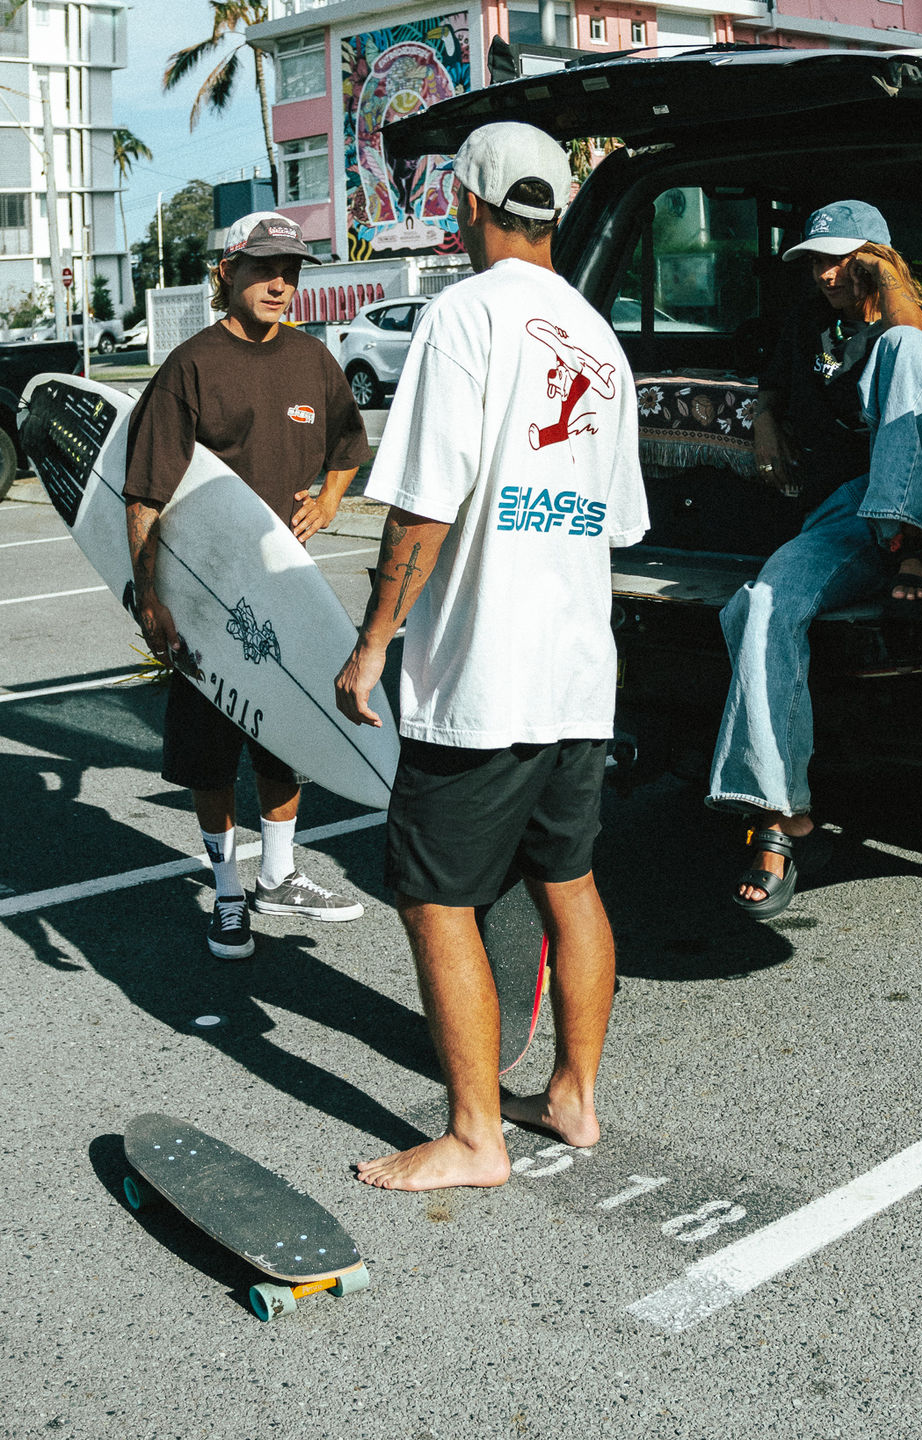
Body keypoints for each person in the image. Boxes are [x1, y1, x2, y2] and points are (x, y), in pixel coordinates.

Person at [334, 121, 647, 1193]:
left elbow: (422, 509)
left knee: (433, 892)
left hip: (482, 676)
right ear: (552, 210)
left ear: (467, 204)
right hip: (575, 671)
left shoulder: (463, 315)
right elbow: (613, 520)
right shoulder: (598, 339)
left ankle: (476, 1136)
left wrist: (375, 642)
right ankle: (575, 1096)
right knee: (569, 876)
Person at [709, 199, 922, 919]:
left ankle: (912, 550)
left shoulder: (920, 328)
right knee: (762, 603)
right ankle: (780, 816)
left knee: (902, 354)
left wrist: (889, 291)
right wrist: (766, 415)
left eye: (841, 258)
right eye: (815, 261)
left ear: (876, 258)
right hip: (847, 517)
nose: (825, 273)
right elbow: (775, 375)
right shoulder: (810, 326)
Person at [124, 211, 371, 959]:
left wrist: (330, 498)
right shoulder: (191, 367)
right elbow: (144, 496)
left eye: (292, 270)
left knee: (285, 737)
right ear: (226, 273)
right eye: (264, 268)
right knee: (210, 755)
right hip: (205, 597)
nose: (280, 283)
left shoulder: (313, 360)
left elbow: (348, 443)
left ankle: (281, 875)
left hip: (281, 589)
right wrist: (152, 599)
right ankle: (228, 895)